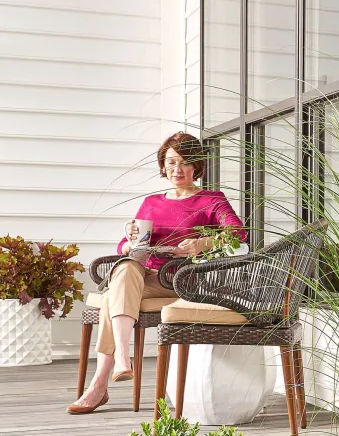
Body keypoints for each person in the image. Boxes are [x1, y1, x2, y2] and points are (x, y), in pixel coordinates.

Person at [66, 132, 247, 415]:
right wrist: (129, 243)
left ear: (197, 166)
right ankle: (123, 359)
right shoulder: (152, 202)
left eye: (186, 163)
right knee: (125, 268)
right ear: (163, 165)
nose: (178, 169)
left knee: (115, 292)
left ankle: (100, 382)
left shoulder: (212, 200)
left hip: (184, 280)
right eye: (172, 162)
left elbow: (238, 232)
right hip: (147, 276)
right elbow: (127, 246)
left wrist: (201, 243)